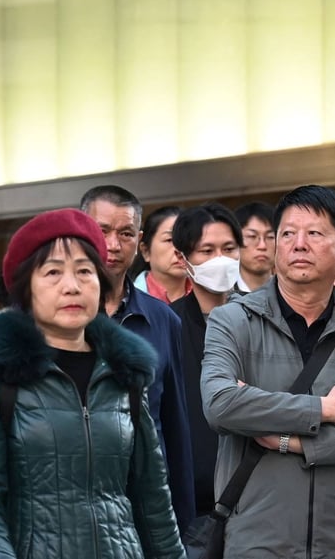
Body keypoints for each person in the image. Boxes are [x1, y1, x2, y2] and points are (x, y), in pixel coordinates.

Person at [200, 185, 335, 558]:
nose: (299, 244)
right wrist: (325, 410)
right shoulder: (232, 320)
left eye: (314, 233)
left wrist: (291, 441)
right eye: (288, 234)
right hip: (259, 541)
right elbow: (221, 404)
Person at [0, 208, 185, 558]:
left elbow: (153, 499)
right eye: (53, 272)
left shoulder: (125, 373)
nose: (72, 286)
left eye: (85, 271)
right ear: (25, 288)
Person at [80, 185, 195, 534]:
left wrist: (182, 517)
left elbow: (175, 424)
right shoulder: (57, 316)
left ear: (139, 240)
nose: (113, 245)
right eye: (101, 232)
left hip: (147, 503)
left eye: (125, 233)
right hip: (79, 501)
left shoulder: (164, 320)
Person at [168, 202, 242, 520]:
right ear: (183, 259)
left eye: (228, 248)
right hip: (194, 503)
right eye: (206, 251)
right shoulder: (168, 324)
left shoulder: (265, 320)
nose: (219, 260)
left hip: (258, 497)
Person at [133, 205, 192, 303]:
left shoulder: (209, 295)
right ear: (145, 251)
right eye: (169, 240)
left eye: (187, 239)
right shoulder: (127, 300)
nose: (180, 249)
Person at [233, 201, 275, 292]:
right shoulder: (222, 296)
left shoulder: (292, 294)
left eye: (270, 237)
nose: (262, 246)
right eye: (252, 236)